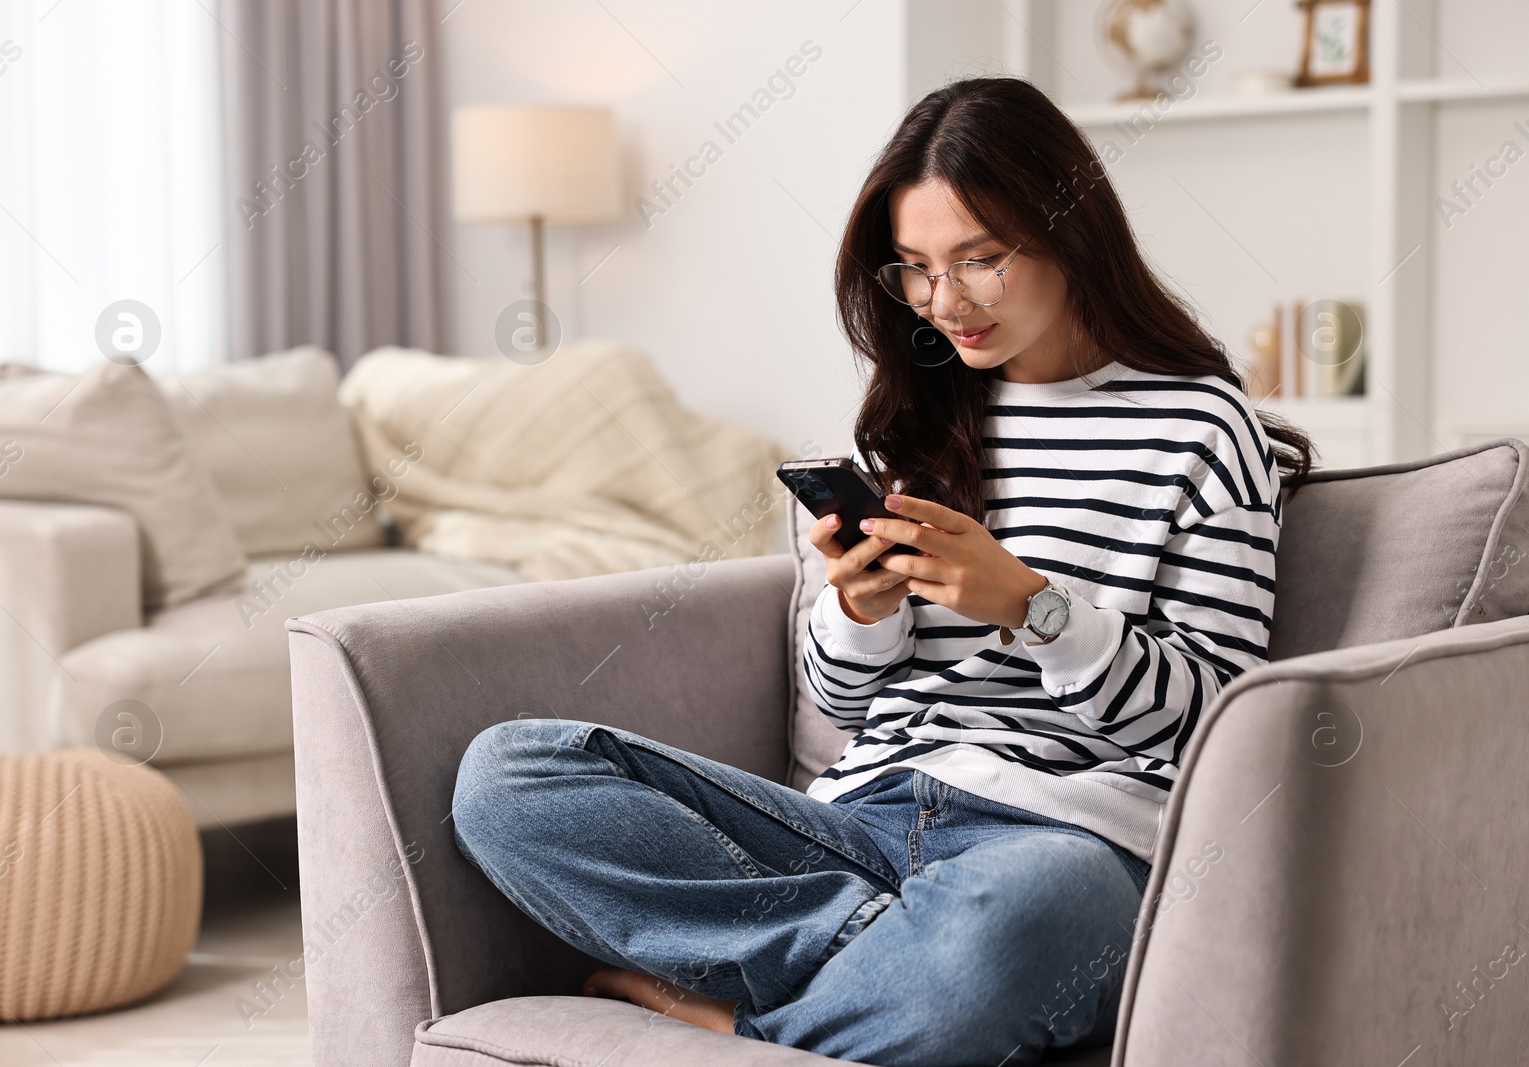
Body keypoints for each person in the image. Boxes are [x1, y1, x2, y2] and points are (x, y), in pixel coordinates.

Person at [450, 77, 1311, 1066]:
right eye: (914, 270)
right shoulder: (915, 426)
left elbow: (1217, 714)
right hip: (862, 823)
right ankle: (875, 963)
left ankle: (746, 1017)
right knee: (510, 775)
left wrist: (1030, 608)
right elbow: (843, 700)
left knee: (1030, 917)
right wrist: (858, 612)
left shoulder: (1198, 428)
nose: (945, 303)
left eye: (979, 261)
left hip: (1065, 841)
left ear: (1070, 231)